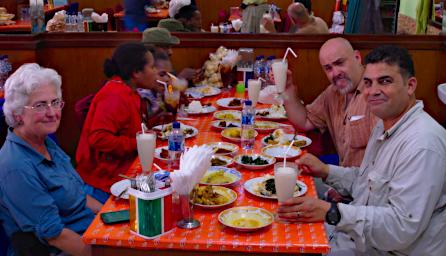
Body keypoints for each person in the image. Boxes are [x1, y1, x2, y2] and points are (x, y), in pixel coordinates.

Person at [278, 45, 446, 255]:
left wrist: (332, 213)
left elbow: (401, 228)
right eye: (368, 83)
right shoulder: (385, 123)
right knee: (283, 221)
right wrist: (326, 171)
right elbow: (367, 183)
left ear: (410, 85)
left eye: (385, 81)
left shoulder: (423, 144)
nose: (373, 91)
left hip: (386, 250)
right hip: (360, 236)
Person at [0, 64, 102, 256]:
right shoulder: (15, 166)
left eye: (55, 102)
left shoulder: (45, 142)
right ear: (17, 114)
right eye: (40, 105)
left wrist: (111, 216)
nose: (52, 113)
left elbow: (80, 195)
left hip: (88, 233)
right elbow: (56, 236)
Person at [76, 42, 174, 194]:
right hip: (104, 181)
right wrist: (139, 143)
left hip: (126, 168)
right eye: (152, 67)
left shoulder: (131, 92)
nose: (156, 72)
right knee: (167, 191)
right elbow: (98, 138)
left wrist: (157, 121)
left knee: (173, 180)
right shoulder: (114, 95)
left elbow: (131, 128)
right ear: (136, 72)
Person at [283, 37, 377, 167]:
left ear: (357, 57)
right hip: (342, 178)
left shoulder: (377, 93)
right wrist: (287, 88)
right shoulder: (332, 92)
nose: (335, 73)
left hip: (367, 183)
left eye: (340, 63)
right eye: (328, 68)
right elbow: (304, 122)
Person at [263, 2, 328, 33]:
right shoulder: (320, 20)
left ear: (293, 20)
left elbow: (284, 48)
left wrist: (272, 30)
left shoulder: (303, 32)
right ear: (306, 11)